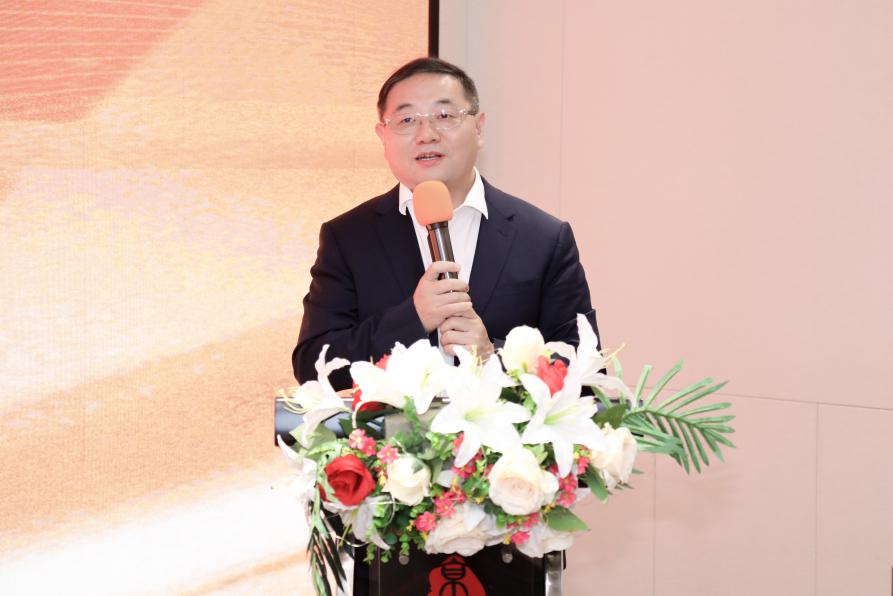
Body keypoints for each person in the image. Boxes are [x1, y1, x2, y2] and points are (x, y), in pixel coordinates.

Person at [293, 57, 598, 390]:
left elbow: (585, 374)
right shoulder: (349, 237)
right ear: (383, 136)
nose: (426, 134)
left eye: (444, 116)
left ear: (479, 128)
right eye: (407, 120)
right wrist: (413, 318)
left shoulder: (543, 238)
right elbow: (313, 364)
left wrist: (491, 358)